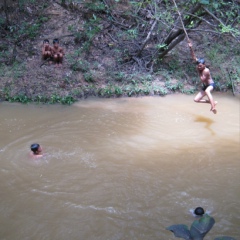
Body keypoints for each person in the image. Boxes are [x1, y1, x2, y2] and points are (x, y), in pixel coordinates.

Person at [188, 41, 217, 114]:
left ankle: (213, 107)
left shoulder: (206, 71)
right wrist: (191, 47)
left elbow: (202, 79)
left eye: (201, 66)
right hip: (205, 86)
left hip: (211, 85)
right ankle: (212, 102)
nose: (199, 67)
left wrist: (198, 71)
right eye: (198, 65)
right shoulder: (199, 65)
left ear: (204, 65)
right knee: (196, 100)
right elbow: (194, 57)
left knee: (207, 91)